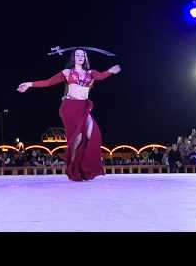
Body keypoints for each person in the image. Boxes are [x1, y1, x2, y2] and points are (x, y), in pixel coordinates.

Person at [17, 48, 120, 181]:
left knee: (94, 135)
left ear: (85, 58)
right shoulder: (67, 72)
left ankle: (84, 168)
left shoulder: (91, 73)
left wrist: (110, 71)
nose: (80, 57)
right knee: (76, 139)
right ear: (74, 58)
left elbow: (101, 75)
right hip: (69, 108)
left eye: (82, 55)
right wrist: (30, 84)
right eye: (77, 55)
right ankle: (73, 169)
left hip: (83, 107)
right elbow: (48, 82)